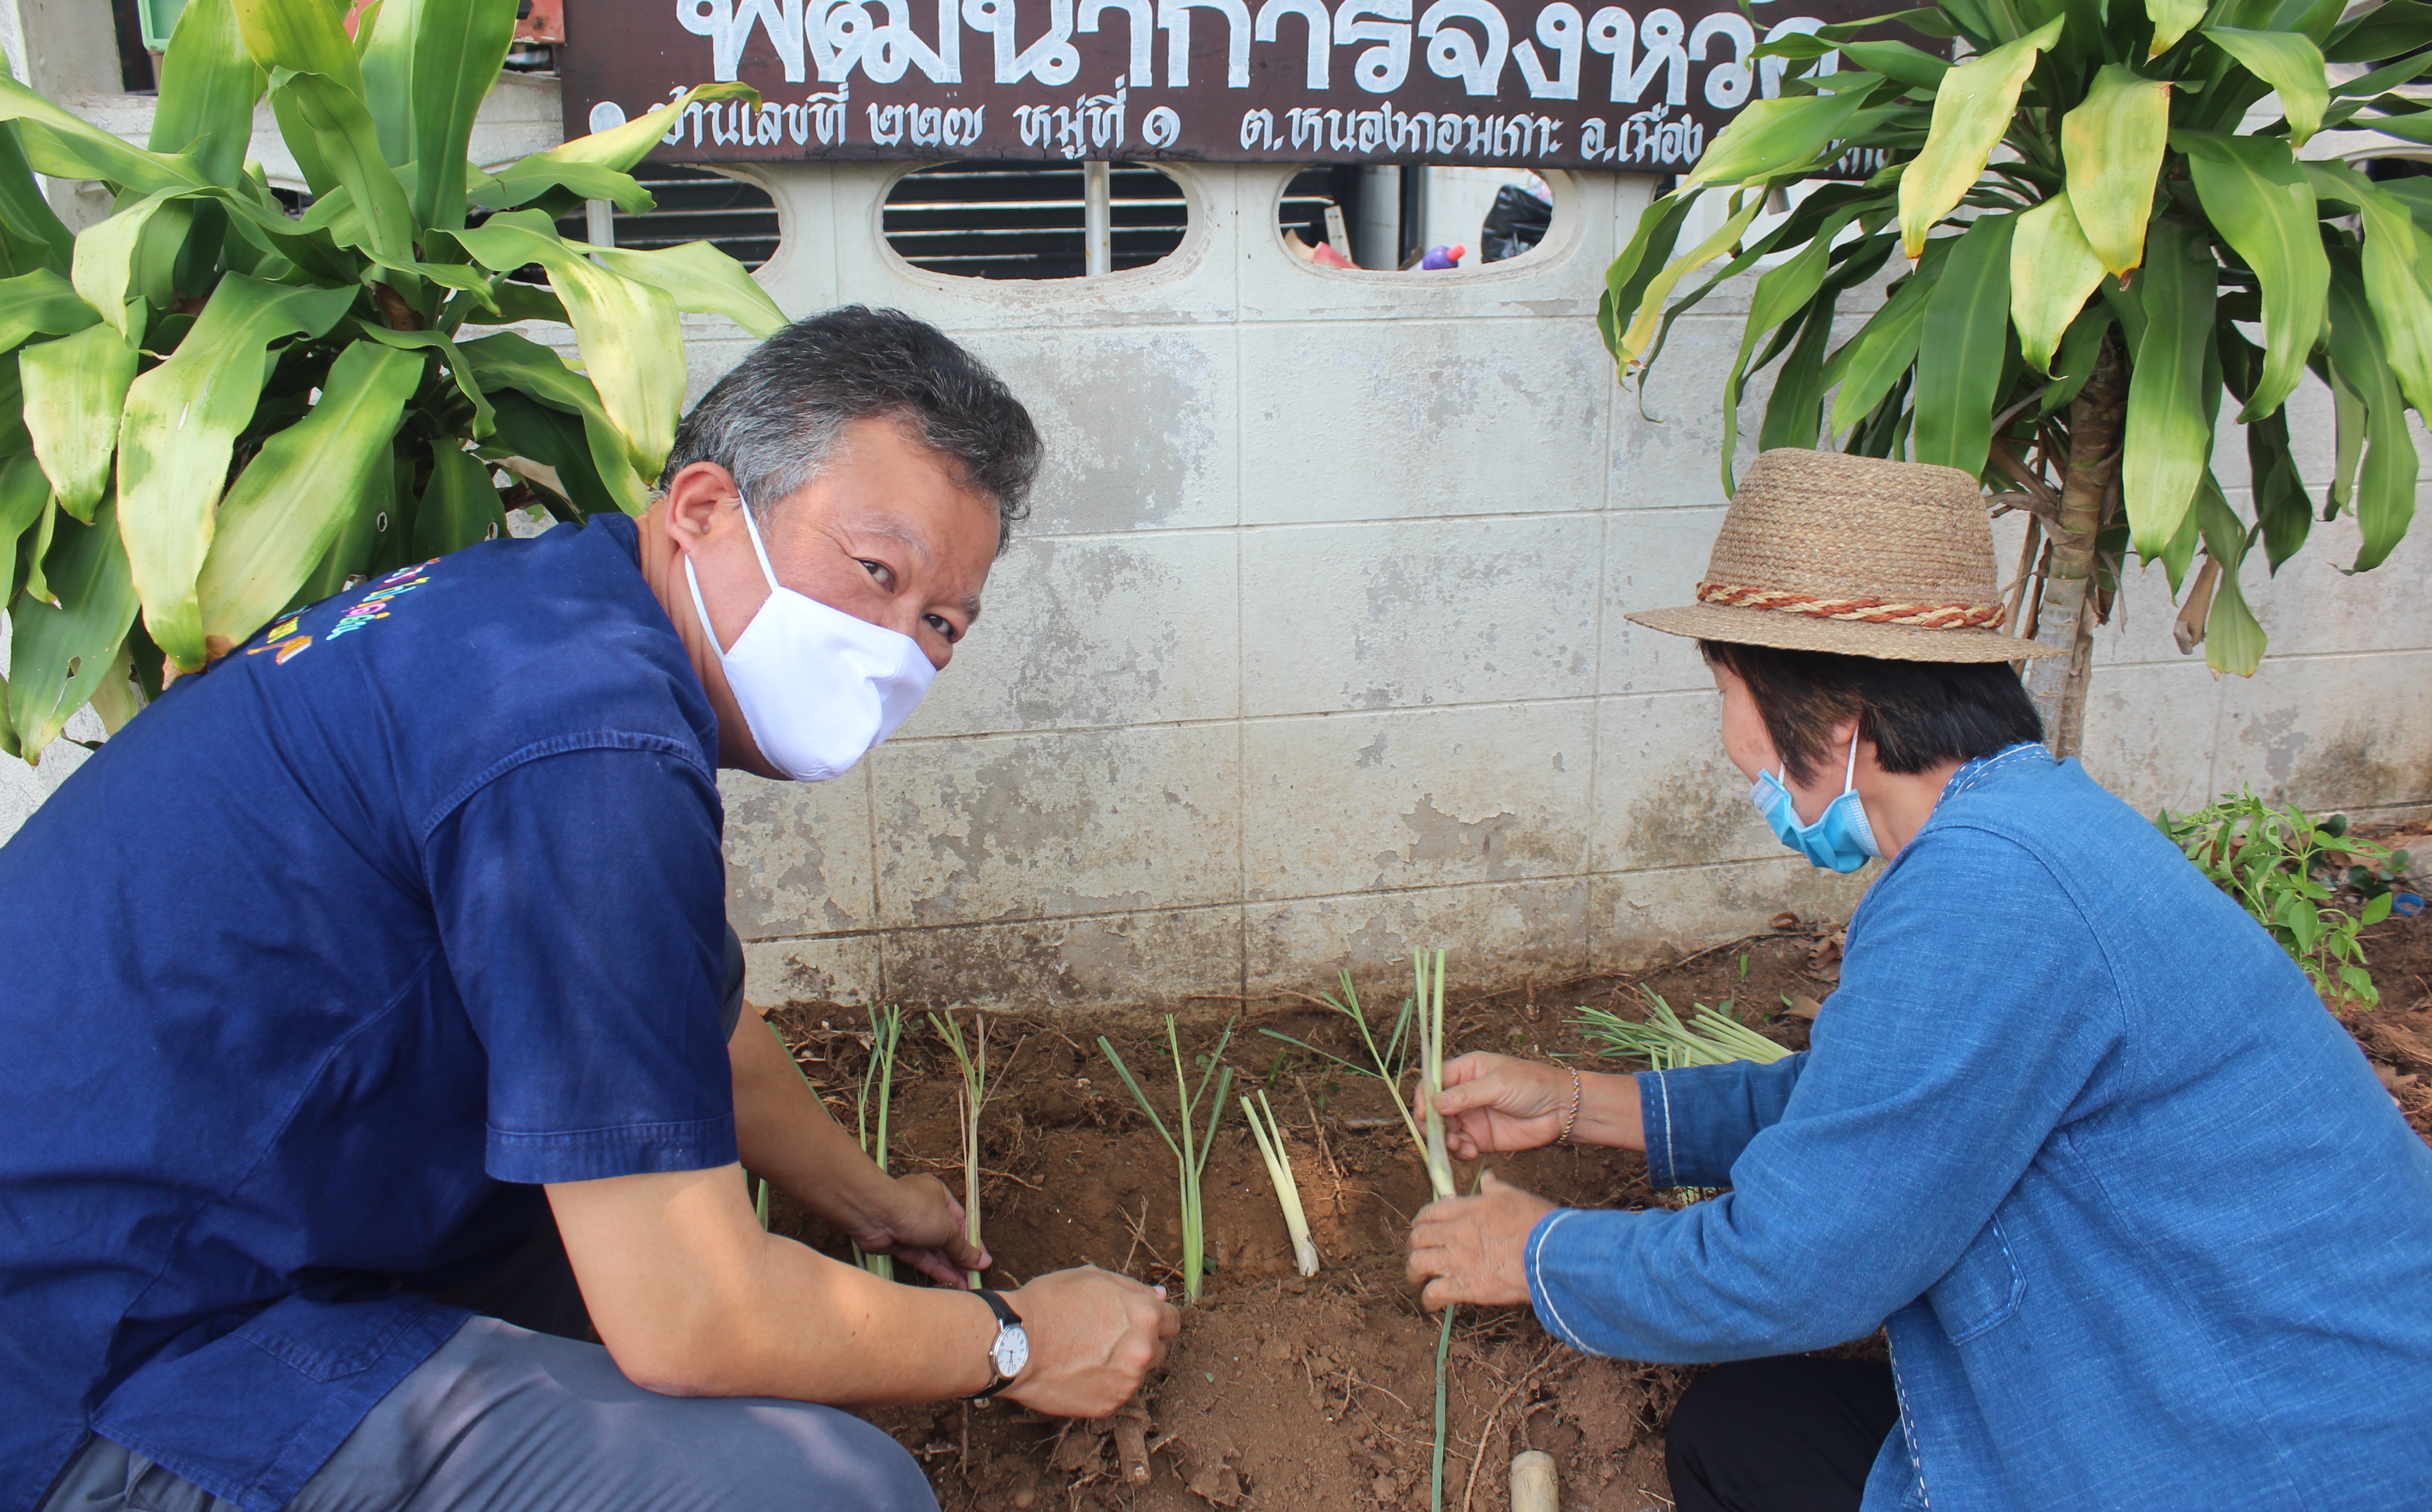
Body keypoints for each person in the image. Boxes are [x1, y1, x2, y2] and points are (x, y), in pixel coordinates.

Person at [0, 307, 1178, 1512]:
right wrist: (1015, 1339)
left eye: (940, 624)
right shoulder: (586, 748)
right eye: (876, 573)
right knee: (822, 1491)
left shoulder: (555, 618)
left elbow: (693, 1026)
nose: (894, 647)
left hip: (185, 1207)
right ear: (707, 508)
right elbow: (688, 1321)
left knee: (601, 1266)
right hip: (101, 1352)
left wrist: (870, 1203)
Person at [1403, 448, 2432, 1511]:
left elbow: (1798, 1267)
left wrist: (1540, 1254)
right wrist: (1576, 1105)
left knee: (1743, 1441)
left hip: (2262, 1454)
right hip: (2276, 1385)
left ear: (1839, 711)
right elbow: (1873, 1099)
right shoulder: (2029, 829)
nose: (1730, 747)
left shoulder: (1986, 892)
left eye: (1728, 691)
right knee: (1744, 1431)